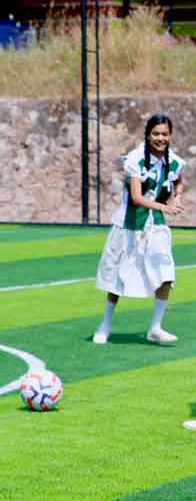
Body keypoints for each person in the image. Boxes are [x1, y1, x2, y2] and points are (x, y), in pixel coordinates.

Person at [93, 114, 185, 345]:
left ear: (170, 135)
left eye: (165, 134)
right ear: (148, 135)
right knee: (117, 279)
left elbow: (177, 179)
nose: (161, 138)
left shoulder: (172, 160)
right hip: (129, 225)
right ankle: (105, 324)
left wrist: (178, 196)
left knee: (166, 274)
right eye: (156, 134)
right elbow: (136, 197)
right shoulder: (136, 159)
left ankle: (155, 327)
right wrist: (164, 206)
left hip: (156, 224)